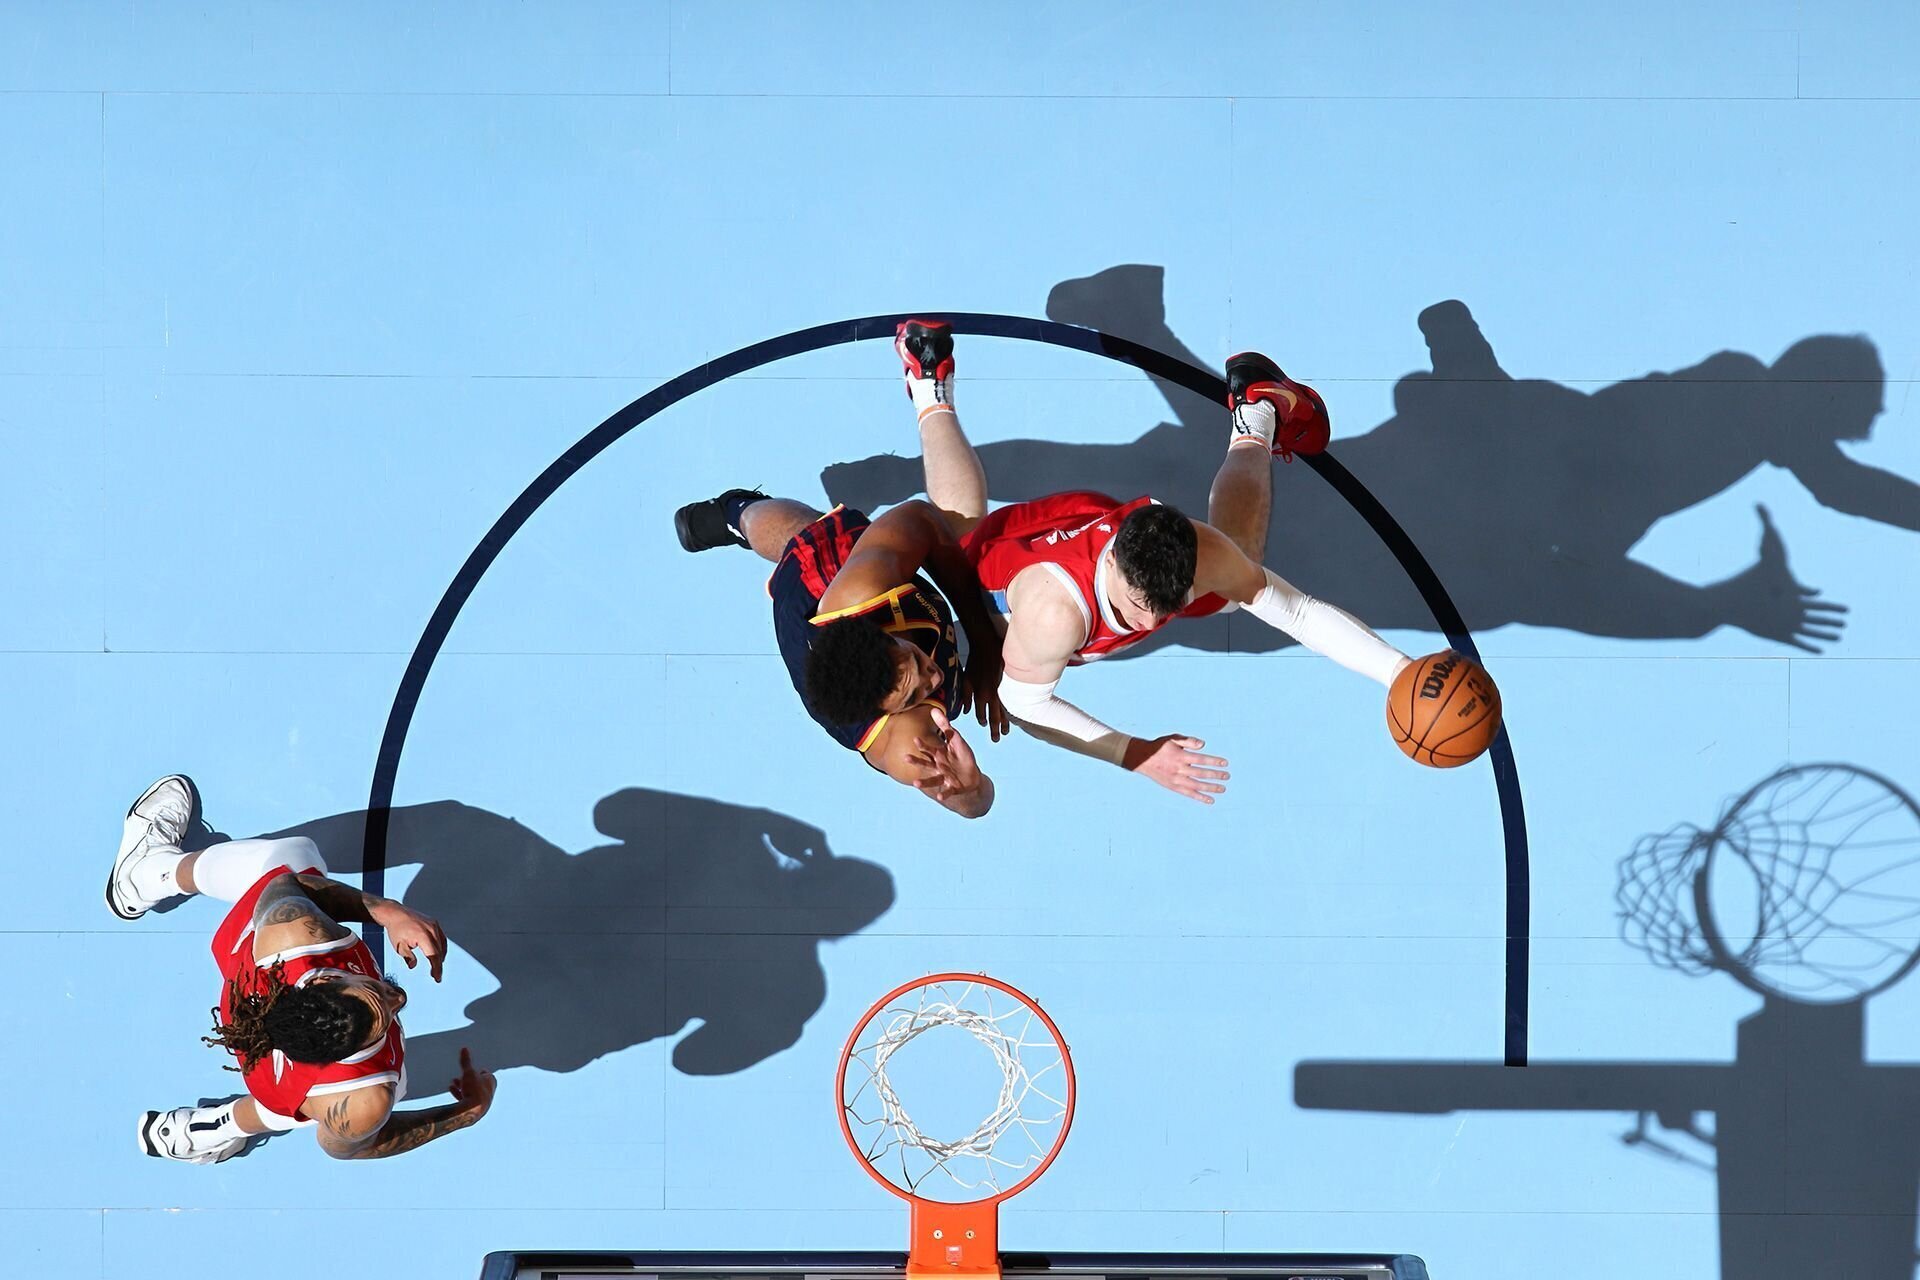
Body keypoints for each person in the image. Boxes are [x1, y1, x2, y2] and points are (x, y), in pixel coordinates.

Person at [940, 332, 1415, 803]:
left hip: (1103, 528)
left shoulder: (1201, 553)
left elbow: (1297, 612)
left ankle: (1256, 411)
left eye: (1167, 609)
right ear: (1117, 567)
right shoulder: (1052, 616)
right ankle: (929, 382)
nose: (1150, 625)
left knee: (1237, 580)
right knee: (955, 529)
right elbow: (1025, 704)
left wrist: (1399, 671)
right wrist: (1138, 755)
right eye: (1140, 609)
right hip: (997, 565)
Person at [673, 322, 1007, 818]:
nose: (932, 672)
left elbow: (922, 519)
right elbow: (974, 804)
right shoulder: (908, 753)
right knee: (971, 559)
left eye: (914, 662)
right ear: (887, 710)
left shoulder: (853, 593)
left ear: (882, 636)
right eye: (916, 688)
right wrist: (971, 786)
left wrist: (981, 636)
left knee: (806, 536)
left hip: (813, 590)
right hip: (845, 650)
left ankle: (735, 511)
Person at [105, 774, 496, 1162]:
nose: (398, 997)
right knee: (319, 1105)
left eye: (375, 991)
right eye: (385, 1007)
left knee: (293, 858)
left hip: (259, 1012)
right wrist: (463, 1115)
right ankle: (209, 1130)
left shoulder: (292, 936)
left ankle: (150, 873)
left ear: (326, 979)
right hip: (291, 1077)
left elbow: (292, 884)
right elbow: (347, 1145)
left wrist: (390, 912)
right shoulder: (361, 1099)